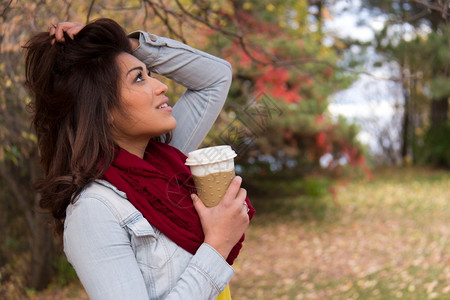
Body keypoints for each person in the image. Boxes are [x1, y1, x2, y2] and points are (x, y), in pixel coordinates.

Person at [24, 18, 255, 299]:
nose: (161, 86)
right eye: (139, 78)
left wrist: (127, 44)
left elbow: (216, 76)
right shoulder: (93, 212)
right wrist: (217, 245)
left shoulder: (164, 163)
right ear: (103, 107)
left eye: (148, 74)